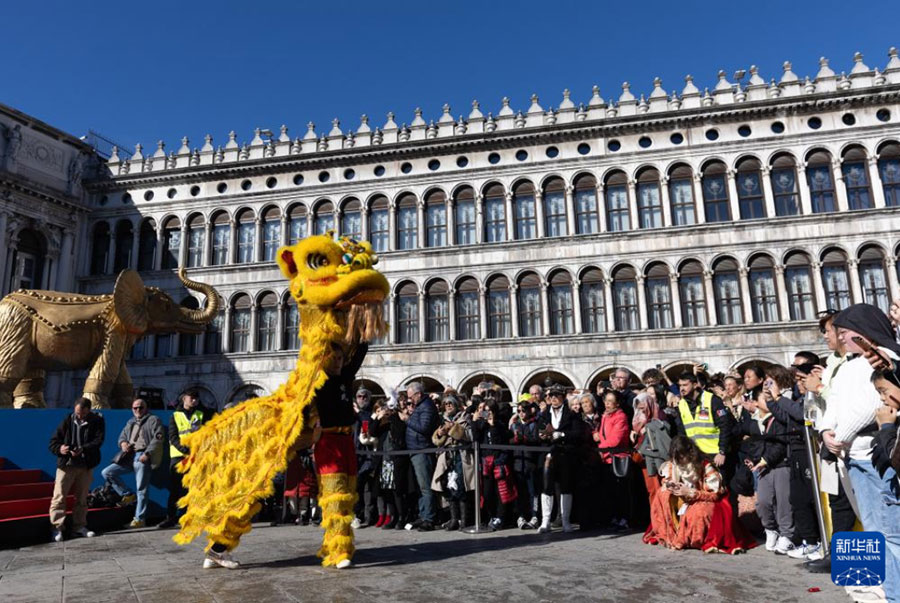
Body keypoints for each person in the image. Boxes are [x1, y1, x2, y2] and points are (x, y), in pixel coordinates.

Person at [826, 304, 900, 601]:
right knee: (872, 528)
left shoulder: (883, 359)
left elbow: (870, 406)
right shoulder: (847, 365)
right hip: (851, 454)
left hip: (875, 451)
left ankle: (893, 593)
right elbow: (833, 402)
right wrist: (825, 431)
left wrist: (839, 438)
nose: (841, 338)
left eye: (844, 332)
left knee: (890, 532)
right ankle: (875, 587)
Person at [644, 435, 755, 553]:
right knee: (662, 495)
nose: (680, 460)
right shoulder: (674, 465)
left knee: (697, 512)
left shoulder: (705, 465)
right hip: (685, 498)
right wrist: (672, 486)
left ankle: (694, 539)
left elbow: (714, 495)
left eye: (682, 456)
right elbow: (668, 479)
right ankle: (670, 533)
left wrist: (690, 493)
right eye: (678, 458)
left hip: (707, 499)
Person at [100, 398, 165, 528]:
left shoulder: (153, 420)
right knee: (107, 472)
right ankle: (127, 495)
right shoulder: (130, 422)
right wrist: (123, 444)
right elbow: (122, 437)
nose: (138, 410)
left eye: (140, 407)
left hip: (142, 455)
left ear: (146, 408)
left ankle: (140, 519)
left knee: (142, 489)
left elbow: (158, 438)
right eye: (135, 408)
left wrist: (147, 453)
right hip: (129, 457)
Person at [48, 398, 105, 542]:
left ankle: (79, 527)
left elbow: (98, 441)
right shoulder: (67, 420)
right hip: (66, 465)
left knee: (82, 498)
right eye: (77, 413)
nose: (79, 417)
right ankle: (57, 527)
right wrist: (61, 449)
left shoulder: (97, 421)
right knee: (59, 496)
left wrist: (83, 449)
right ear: (74, 408)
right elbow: (53, 442)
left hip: (85, 465)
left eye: (83, 414)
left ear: (89, 411)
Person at [158, 390, 213, 529]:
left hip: (196, 456)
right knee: (175, 489)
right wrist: (185, 450)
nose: (194, 401)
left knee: (195, 488)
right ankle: (170, 518)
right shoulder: (175, 415)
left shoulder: (201, 414)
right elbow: (173, 436)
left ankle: (194, 517)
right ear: (184, 399)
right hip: (178, 456)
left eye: (196, 398)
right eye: (192, 398)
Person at [536, 383, 583, 533]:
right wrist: (542, 435)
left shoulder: (572, 414)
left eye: (557, 396)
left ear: (563, 397)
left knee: (566, 487)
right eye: (551, 396)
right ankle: (545, 521)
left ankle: (565, 520)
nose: (554, 399)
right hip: (549, 453)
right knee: (546, 487)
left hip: (565, 453)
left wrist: (562, 435)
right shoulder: (544, 414)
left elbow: (577, 433)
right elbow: (537, 431)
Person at [431, 395, 474, 530]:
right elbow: (436, 440)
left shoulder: (465, 418)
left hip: (461, 457)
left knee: (461, 487)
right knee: (448, 488)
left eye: (451, 403)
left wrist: (454, 428)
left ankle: (465, 520)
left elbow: (470, 436)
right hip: (447, 458)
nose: (448, 406)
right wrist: (439, 433)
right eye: (446, 404)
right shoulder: (442, 419)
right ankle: (454, 519)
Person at [473, 399, 517, 530]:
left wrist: (492, 425)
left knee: (501, 492)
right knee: (487, 492)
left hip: (499, 461)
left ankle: (500, 518)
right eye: (484, 410)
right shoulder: (481, 424)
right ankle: (491, 516)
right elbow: (475, 438)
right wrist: (475, 421)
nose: (486, 413)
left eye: (489, 410)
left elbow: (502, 439)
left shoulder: (499, 424)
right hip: (486, 462)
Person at [406, 382, 440, 531]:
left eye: (411, 397)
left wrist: (407, 420)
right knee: (421, 487)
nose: (409, 400)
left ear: (418, 394)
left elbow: (424, 428)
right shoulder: (421, 406)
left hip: (422, 450)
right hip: (415, 450)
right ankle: (423, 513)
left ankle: (429, 518)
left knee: (426, 486)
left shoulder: (427, 406)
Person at [596, 390, 632, 531]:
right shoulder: (605, 416)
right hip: (606, 458)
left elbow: (615, 440)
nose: (607, 404)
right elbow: (603, 434)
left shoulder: (621, 417)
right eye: (606, 401)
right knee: (610, 491)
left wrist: (600, 448)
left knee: (621, 491)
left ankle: (624, 518)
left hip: (618, 458)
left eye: (611, 401)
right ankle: (614, 517)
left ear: (617, 403)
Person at [354, 388, 378, 528]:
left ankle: (369, 516)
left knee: (368, 488)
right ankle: (358, 514)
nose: (362, 399)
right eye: (359, 396)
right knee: (356, 487)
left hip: (367, 454)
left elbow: (366, 425)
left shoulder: (370, 413)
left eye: (365, 396)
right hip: (355, 454)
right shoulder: (352, 415)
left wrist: (359, 412)